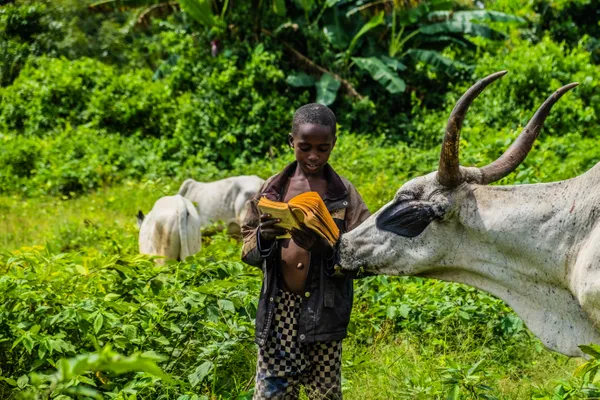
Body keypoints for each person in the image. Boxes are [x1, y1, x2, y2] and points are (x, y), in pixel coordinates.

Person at [241, 103, 370, 399]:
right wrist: (263, 237)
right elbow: (246, 245)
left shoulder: (344, 195)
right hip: (278, 311)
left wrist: (326, 249)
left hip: (323, 312)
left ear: (334, 144)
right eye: (305, 147)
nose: (314, 156)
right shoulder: (271, 190)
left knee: (322, 393)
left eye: (323, 148)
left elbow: (364, 256)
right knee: (272, 392)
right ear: (291, 142)